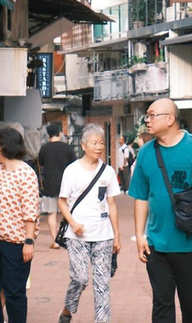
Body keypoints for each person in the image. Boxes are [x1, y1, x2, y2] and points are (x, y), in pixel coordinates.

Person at [129, 98, 192, 323]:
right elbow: (141, 198)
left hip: (191, 245)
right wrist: (140, 236)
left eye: (152, 115)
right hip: (157, 247)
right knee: (162, 307)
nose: (148, 120)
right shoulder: (146, 152)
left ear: (170, 119)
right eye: (148, 115)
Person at [57, 124, 122, 323]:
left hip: (103, 235)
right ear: (84, 146)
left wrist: (117, 236)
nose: (99, 147)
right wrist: (72, 222)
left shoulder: (108, 171)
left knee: (102, 284)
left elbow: (111, 203)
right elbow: (62, 201)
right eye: (94, 143)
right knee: (80, 278)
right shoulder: (72, 170)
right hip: (76, 236)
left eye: (101, 143)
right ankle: (68, 310)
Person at [0, 127, 40, 323]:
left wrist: (29, 241)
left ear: (6, 146)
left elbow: (30, 210)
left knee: (14, 292)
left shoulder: (26, 173)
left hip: (16, 243)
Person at [37, 124, 76, 248]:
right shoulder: (68, 148)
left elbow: (41, 163)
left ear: (48, 135)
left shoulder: (44, 149)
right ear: (60, 133)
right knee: (68, 212)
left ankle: (55, 241)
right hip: (66, 183)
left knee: (51, 213)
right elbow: (74, 165)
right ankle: (69, 238)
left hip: (50, 183)